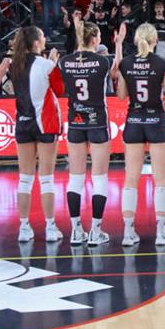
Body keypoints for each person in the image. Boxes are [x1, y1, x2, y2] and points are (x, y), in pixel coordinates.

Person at [0, 25, 64, 244]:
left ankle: (24, 227)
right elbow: (60, 90)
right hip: (45, 124)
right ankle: (50, 227)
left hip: (23, 122)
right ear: (36, 42)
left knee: (25, 178)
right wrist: (54, 63)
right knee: (47, 178)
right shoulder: (46, 65)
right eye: (43, 37)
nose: (45, 39)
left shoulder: (15, 64)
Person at [60, 15, 125, 245]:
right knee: (100, 178)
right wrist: (119, 44)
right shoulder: (102, 61)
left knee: (75, 178)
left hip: (75, 122)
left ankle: (75, 230)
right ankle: (96, 231)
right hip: (97, 122)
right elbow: (117, 72)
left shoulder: (64, 61)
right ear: (95, 39)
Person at [117, 23, 165, 247]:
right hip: (156, 121)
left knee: (130, 179)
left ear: (136, 40)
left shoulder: (125, 63)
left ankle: (127, 232)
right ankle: (161, 232)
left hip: (134, 120)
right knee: (160, 179)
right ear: (156, 40)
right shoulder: (163, 63)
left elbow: (121, 96)